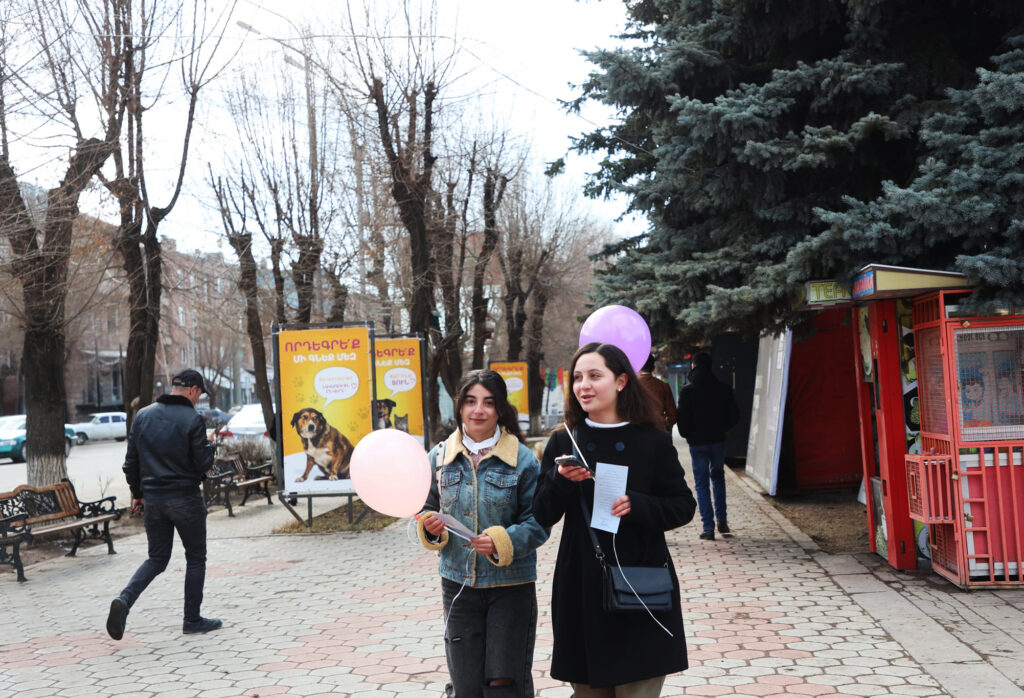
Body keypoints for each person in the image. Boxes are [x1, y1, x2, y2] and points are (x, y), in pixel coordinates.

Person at [533, 342, 697, 697]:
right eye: (578, 377)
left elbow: (684, 506)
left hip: (639, 584)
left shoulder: (652, 440)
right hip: (582, 586)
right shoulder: (565, 440)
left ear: (621, 381)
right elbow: (542, 513)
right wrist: (561, 481)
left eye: (595, 376)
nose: (583, 386)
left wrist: (637, 505)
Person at [416, 369, 551, 698]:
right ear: (460, 406)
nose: (479, 410)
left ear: (500, 409)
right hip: (458, 587)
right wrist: (430, 529)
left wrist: (502, 541)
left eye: (489, 403)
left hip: (511, 588)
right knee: (465, 687)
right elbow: (426, 509)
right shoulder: (439, 458)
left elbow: (539, 522)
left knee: (504, 685)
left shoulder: (522, 460)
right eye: (471, 401)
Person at [106, 369, 220, 640]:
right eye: (200, 394)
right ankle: (192, 620)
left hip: (154, 501)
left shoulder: (143, 416)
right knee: (195, 558)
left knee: (157, 558)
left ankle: (125, 600)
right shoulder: (193, 419)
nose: (198, 399)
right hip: (185, 500)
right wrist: (210, 447)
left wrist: (137, 493)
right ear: (193, 390)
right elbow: (203, 464)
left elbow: (130, 463)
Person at [676, 352, 740, 541]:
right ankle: (722, 521)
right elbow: (734, 415)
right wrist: (722, 428)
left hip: (697, 444)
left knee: (701, 483)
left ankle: (708, 528)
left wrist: (688, 435)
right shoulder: (724, 388)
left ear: (694, 365)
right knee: (718, 478)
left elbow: (682, 418)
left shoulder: (687, 391)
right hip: (717, 440)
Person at [636, 354, 676, 433]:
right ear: (653, 368)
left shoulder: (631, 387)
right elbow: (673, 416)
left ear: (638, 367)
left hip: (638, 433)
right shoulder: (663, 386)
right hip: (660, 431)